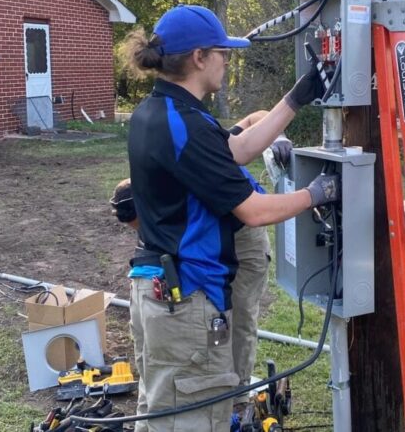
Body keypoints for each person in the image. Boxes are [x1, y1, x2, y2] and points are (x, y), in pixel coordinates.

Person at [123, 4, 338, 432]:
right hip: (187, 302)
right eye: (222, 52)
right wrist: (317, 193)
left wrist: (296, 98)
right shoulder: (183, 125)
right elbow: (253, 211)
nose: (227, 60)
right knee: (190, 421)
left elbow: (237, 150)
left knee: (161, 415)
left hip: (160, 293)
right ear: (199, 57)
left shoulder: (161, 112)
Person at [109, 114, 289, 413]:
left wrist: (279, 138)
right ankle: (207, 385)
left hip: (244, 234)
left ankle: (237, 398)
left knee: (240, 315)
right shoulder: (158, 185)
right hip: (208, 239)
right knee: (210, 313)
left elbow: (255, 119)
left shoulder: (199, 148)